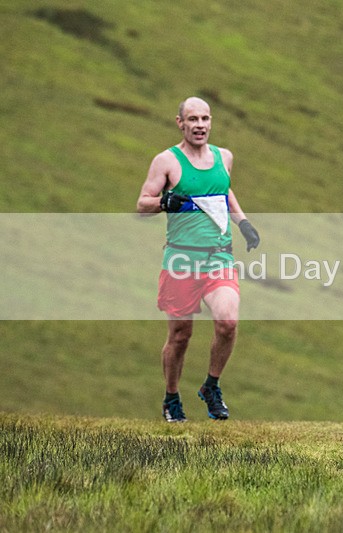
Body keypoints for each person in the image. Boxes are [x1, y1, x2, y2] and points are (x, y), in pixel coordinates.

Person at [137, 96, 261, 422]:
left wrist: (244, 223)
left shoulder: (224, 157)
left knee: (227, 322)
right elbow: (141, 205)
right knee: (180, 336)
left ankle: (211, 386)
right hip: (180, 261)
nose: (200, 125)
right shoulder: (166, 161)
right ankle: (171, 398)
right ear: (180, 123)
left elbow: (224, 191)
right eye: (192, 119)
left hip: (218, 257)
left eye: (205, 119)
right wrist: (166, 202)